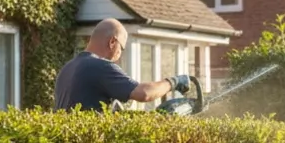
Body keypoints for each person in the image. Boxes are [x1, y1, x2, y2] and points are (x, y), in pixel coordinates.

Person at [55, 19, 190, 111]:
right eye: (122, 48)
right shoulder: (100, 67)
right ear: (113, 42)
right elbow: (144, 93)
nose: (120, 54)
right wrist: (173, 82)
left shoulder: (67, 68)